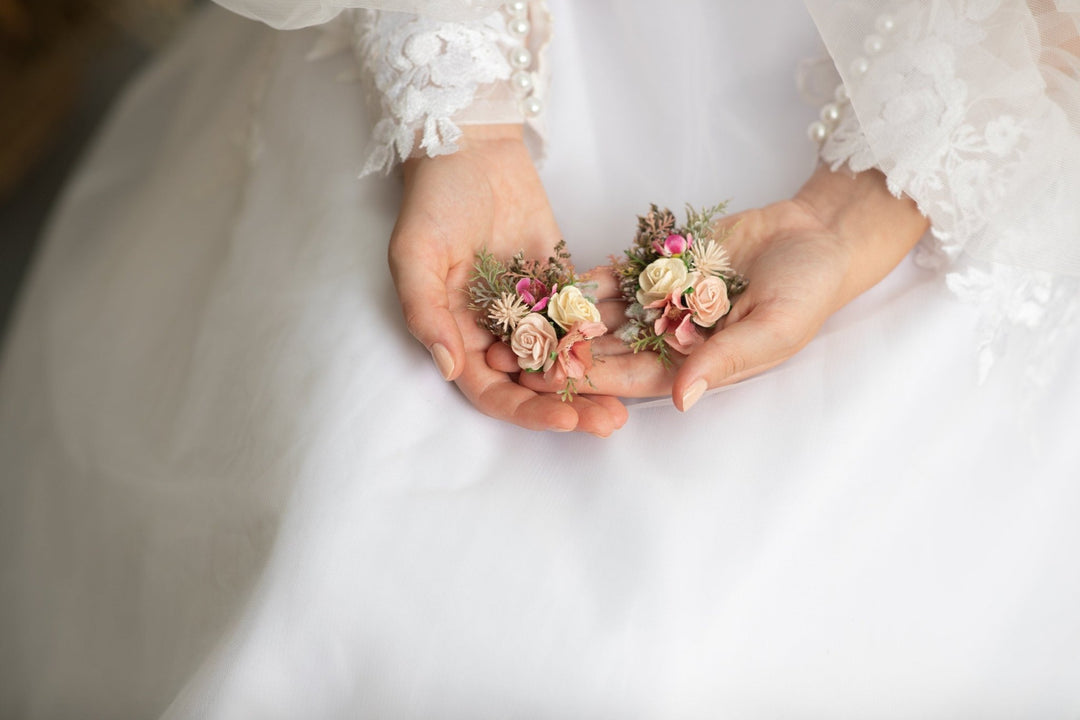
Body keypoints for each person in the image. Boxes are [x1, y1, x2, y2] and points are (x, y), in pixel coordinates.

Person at [2, 1, 1078, 717]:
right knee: (342, 518)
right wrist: (461, 113)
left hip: (980, 68)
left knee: (677, 646)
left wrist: (861, 200)